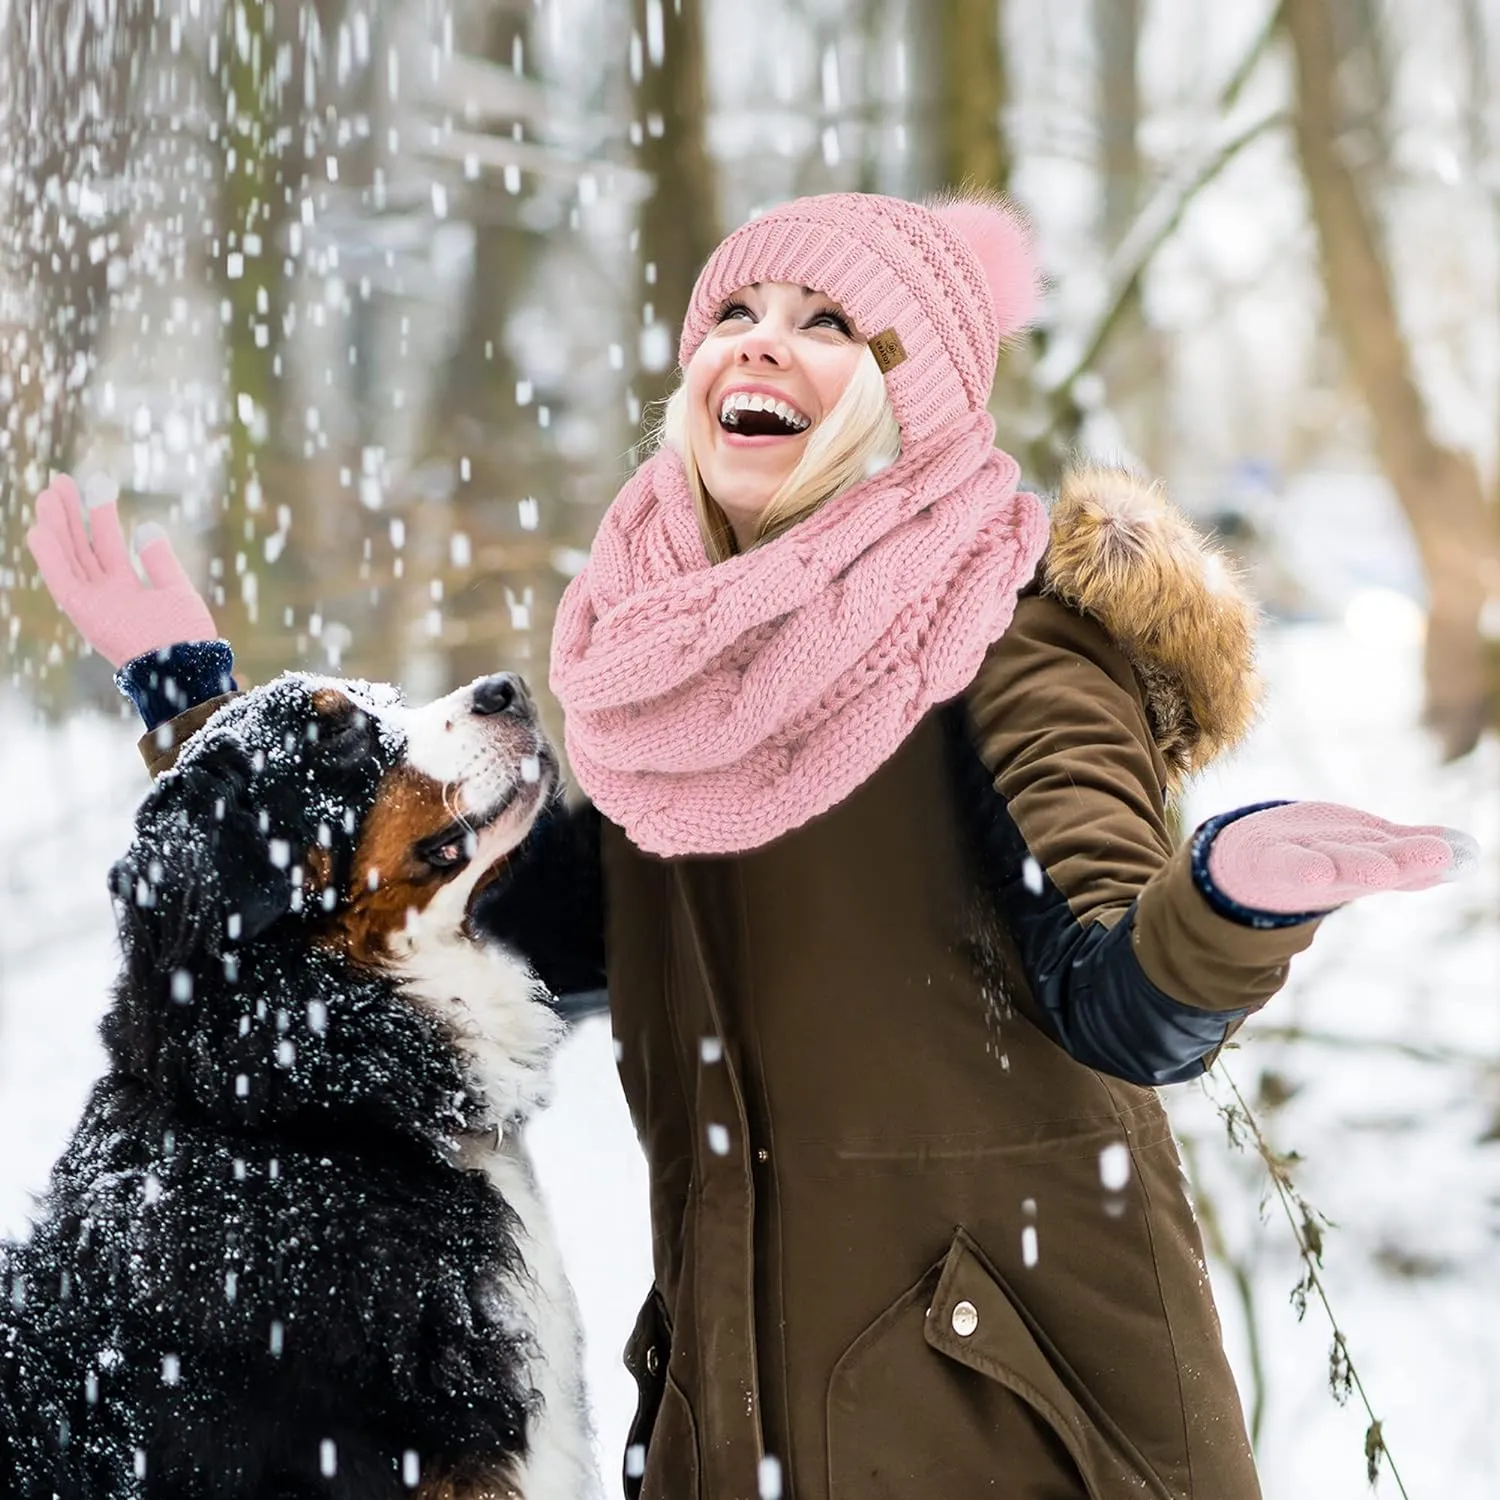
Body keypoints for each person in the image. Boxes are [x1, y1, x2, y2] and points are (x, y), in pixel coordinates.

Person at [28, 191, 1476, 1500]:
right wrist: (215, 736)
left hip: (1007, 1433)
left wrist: (1226, 902)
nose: (759, 344)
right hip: (745, 1428)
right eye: (734, 313)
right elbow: (459, 923)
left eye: (829, 321)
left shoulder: (1012, 638)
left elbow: (1121, 992)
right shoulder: (686, 682)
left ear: (911, 398)